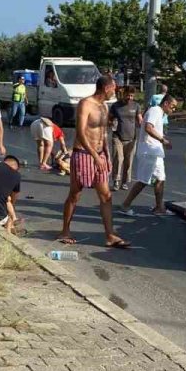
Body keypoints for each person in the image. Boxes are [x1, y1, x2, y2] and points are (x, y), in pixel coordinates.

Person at [59, 74, 129, 248]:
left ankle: (110, 235)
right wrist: (94, 156)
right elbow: (81, 133)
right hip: (83, 153)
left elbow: (103, 134)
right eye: (114, 88)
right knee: (75, 194)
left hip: (100, 154)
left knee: (106, 195)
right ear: (106, 88)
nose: (116, 91)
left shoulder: (104, 107)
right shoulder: (86, 104)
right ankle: (65, 230)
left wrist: (105, 155)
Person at [121, 94, 178, 217]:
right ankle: (125, 205)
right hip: (148, 151)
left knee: (160, 179)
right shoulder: (155, 111)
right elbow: (148, 128)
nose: (173, 110)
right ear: (166, 103)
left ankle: (159, 207)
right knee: (143, 180)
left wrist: (162, 141)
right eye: (172, 107)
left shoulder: (159, 113)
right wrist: (163, 140)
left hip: (155, 151)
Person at [109, 86, 141, 190]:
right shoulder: (116, 106)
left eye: (132, 96)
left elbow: (140, 120)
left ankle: (124, 182)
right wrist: (111, 124)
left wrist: (144, 125)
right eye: (128, 95)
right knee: (118, 158)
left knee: (128, 161)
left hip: (132, 138)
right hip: (118, 136)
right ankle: (116, 181)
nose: (130, 97)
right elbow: (109, 119)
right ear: (123, 94)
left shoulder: (136, 106)